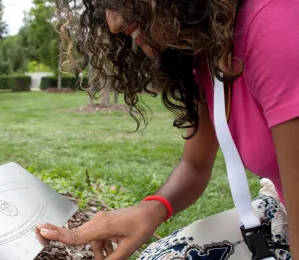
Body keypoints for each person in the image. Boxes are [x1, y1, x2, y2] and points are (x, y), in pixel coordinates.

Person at [36, 0, 299, 259]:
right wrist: (151, 210)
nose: (113, 24)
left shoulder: (276, 27)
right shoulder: (209, 52)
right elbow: (195, 165)